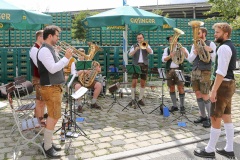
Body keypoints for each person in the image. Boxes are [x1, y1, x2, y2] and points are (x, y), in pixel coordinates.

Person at [194, 23, 236, 159]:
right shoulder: (229, 46)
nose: (215, 34)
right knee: (226, 116)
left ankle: (210, 150)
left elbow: (220, 72)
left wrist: (213, 90)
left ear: (226, 34)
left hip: (222, 85)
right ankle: (229, 149)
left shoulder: (224, 48)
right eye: (215, 32)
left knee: (215, 117)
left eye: (218, 32)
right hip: (229, 84)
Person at [37, 25, 72, 158]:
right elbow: (52, 69)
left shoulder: (49, 49)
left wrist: (58, 54)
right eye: (57, 36)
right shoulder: (45, 50)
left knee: (54, 115)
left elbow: (54, 67)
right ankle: (47, 147)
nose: (58, 38)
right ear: (50, 36)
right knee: (53, 116)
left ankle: (48, 143)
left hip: (54, 88)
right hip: (50, 88)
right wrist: (66, 58)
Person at [188, 27, 216, 128]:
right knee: (198, 94)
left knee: (205, 95)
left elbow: (214, 59)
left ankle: (210, 117)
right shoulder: (194, 44)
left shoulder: (211, 43)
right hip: (195, 70)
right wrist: (194, 53)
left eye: (198, 33)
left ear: (204, 33)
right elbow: (190, 60)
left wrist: (211, 51)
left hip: (205, 71)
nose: (196, 35)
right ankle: (203, 116)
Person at [162, 35, 189, 113]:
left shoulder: (182, 48)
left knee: (181, 87)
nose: (172, 41)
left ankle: (182, 106)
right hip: (169, 70)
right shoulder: (167, 49)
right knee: (171, 87)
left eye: (173, 39)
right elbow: (163, 59)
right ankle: (174, 105)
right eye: (170, 40)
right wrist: (170, 56)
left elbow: (189, 58)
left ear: (177, 40)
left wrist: (184, 52)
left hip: (179, 70)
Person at [71, 48, 102, 112]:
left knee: (99, 85)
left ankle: (93, 103)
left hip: (87, 80)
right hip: (78, 80)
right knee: (78, 87)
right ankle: (79, 105)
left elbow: (94, 71)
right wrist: (82, 71)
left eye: (83, 55)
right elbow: (74, 74)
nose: (82, 56)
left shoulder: (89, 63)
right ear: (77, 55)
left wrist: (97, 70)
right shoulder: (74, 63)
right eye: (80, 54)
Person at [128, 33, 153, 107]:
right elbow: (130, 55)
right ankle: (133, 99)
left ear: (143, 38)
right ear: (137, 39)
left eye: (141, 38)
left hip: (144, 65)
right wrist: (135, 50)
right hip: (136, 64)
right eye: (138, 38)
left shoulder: (146, 44)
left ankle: (140, 99)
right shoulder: (134, 46)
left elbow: (151, 52)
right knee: (134, 82)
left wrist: (145, 47)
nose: (139, 39)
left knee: (143, 82)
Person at [29, 30, 46, 121]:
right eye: (44, 37)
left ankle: (38, 119)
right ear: (39, 37)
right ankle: (39, 122)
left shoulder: (40, 48)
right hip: (38, 78)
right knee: (40, 102)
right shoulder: (35, 49)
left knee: (42, 101)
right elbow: (39, 65)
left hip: (42, 78)